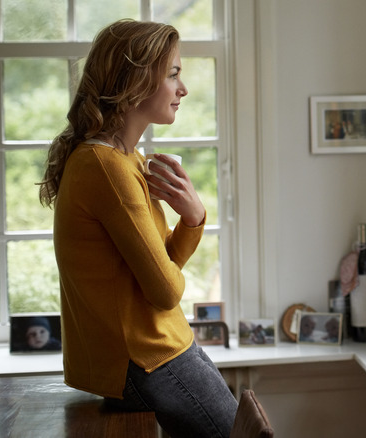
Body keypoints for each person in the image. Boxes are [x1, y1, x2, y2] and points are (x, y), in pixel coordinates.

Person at [38, 19, 236, 438]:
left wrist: (193, 217)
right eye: (174, 74)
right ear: (134, 80)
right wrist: (190, 224)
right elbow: (165, 290)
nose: (183, 90)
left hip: (158, 348)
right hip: (146, 358)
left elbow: (157, 267)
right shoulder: (106, 167)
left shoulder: (122, 161)